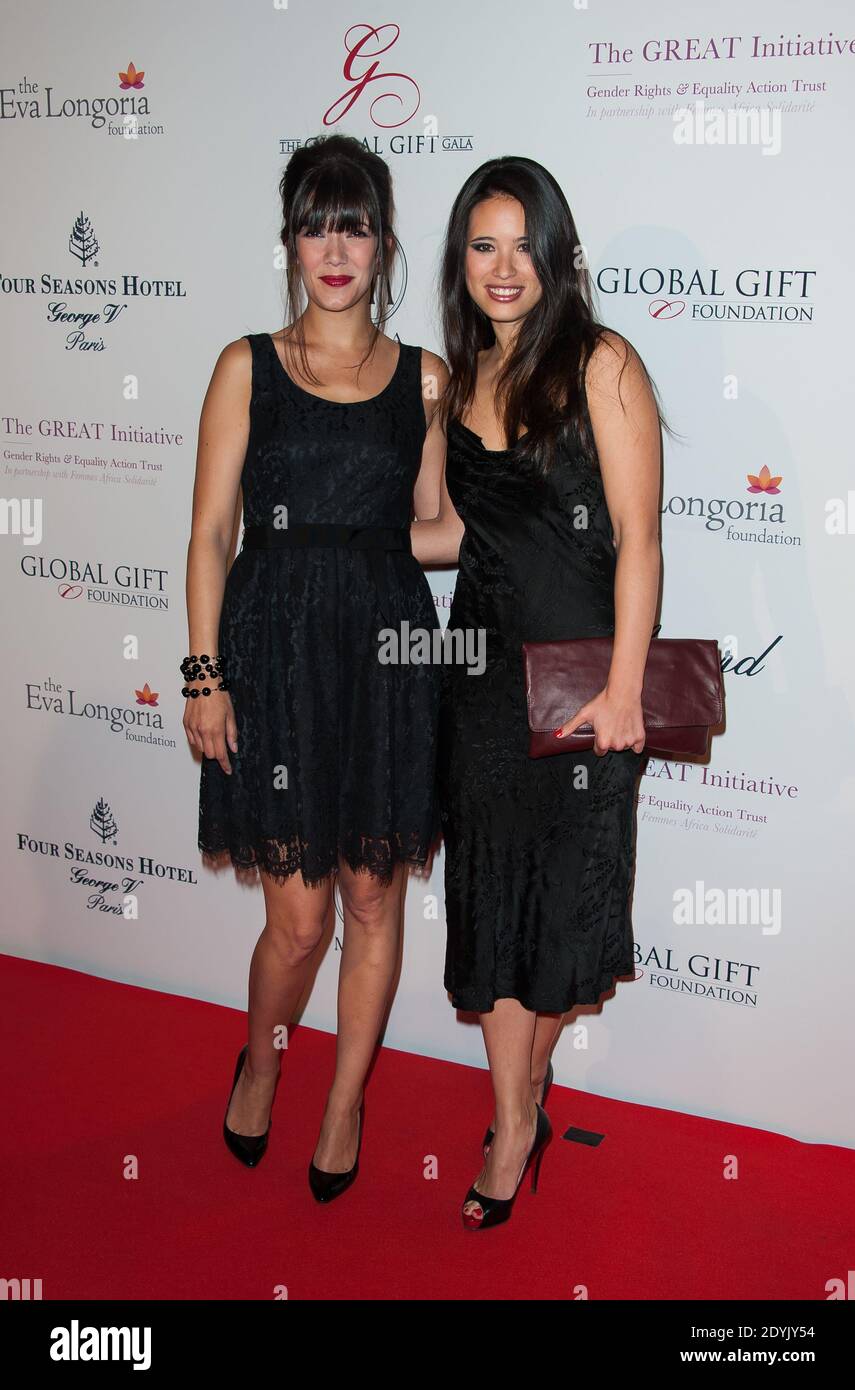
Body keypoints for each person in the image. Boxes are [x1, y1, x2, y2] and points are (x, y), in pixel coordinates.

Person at [185, 134, 445, 1202]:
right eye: (314, 224)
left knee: (373, 902)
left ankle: (343, 1102)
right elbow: (209, 535)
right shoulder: (245, 365)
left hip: (386, 651)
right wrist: (203, 675)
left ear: (383, 246)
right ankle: (263, 1057)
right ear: (289, 240)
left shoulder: (425, 377)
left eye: (355, 225)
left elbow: (433, 530)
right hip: (276, 654)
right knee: (297, 921)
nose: (334, 247)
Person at [411, 156, 663, 1229]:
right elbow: (449, 535)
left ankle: (523, 1096)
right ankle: (514, 1122)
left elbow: (641, 542)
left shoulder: (602, 365)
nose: (501, 267)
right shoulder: (459, 381)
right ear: (459, 260)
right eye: (481, 244)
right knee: (494, 913)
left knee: (557, 928)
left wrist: (620, 691)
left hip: (581, 691)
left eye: (522, 244)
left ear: (556, 255)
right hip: (477, 687)